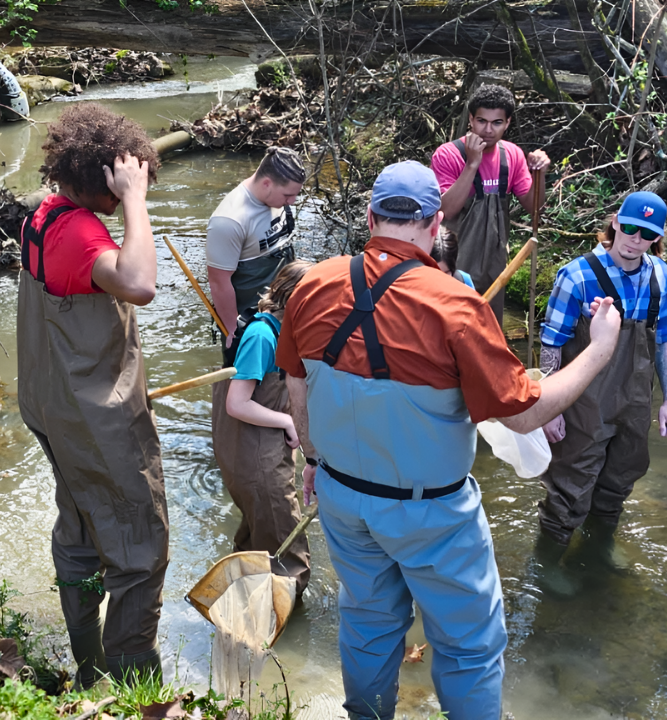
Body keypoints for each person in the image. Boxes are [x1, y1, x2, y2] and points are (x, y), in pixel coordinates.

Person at [276, 160, 622, 720]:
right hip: (431, 512)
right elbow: (524, 416)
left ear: (370, 218)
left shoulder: (312, 285)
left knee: (367, 622)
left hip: (341, 497)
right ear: (436, 224)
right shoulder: (457, 307)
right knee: (468, 644)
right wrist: (600, 349)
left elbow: (297, 383)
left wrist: (313, 459)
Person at [15, 104, 168, 688]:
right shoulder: (79, 232)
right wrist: (134, 200)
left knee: (80, 529)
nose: (128, 188)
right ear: (100, 177)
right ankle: (135, 687)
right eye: (122, 179)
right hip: (95, 418)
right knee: (140, 544)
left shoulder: (45, 214)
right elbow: (140, 283)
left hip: (51, 404)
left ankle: (88, 664)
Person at [535, 191, 667, 589]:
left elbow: (663, 337)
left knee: (621, 476)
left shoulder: (660, 275)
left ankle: (598, 545)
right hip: (583, 400)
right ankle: (546, 564)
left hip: (635, 399)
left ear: (657, 237)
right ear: (615, 222)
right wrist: (550, 407)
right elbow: (551, 344)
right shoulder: (577, 276)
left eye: (646, 233)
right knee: (571, 483)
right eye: (629, 227)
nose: (635, 239)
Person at [211, 260, 315, 597]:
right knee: (288, 551)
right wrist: (288, 421)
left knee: (256, 537)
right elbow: (236, 403)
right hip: (255, 458)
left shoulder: (284, 331)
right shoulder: (261, 336)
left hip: (265, 453)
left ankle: (238, 596)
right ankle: (282, 612)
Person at [432, 84, 551, 324]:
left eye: (496, 123)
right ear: (471, 120)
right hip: (452, 262)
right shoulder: (447, 155)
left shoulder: (512, 155)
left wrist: (539, 175)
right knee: (450, 324)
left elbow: (534, 210)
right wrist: (472, 164)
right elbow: (446, 211)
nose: (488, 130)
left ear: (507, 123)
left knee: (488, 325)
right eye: (481, 121)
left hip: (495, 264)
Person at [206, 146, 306, 343]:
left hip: (282, 306)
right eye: (287, 195)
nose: (292, 201)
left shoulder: (278, 200)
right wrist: (233, 331)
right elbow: (219, 283)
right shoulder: (228, 221)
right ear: (267, 183)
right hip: (251, 321)